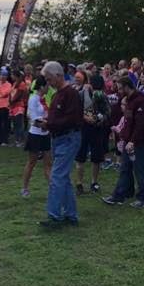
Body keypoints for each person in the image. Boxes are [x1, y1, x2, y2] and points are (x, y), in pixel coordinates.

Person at [38, 61, 82, 228]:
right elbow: (58, 117)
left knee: (56, 177)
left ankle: (54, 216)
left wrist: (49, 124)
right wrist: (47, 121)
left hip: (68, 138)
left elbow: (71, 119)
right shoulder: (58, 94)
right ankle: (71, 215)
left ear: (58, 75)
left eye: (49, 79)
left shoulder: (70, 94)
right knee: (63, 178)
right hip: (59, 138)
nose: (48, 83)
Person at [103, 75, 144, 208]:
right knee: (125, 168)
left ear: (127, 87)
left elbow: (140, 124)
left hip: (136, 142)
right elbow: (128, 121)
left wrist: (132, 141)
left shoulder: (139, 100)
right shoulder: (128, 100)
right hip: (127, 140)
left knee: (139, 169)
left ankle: (143, 198)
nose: (118, 91)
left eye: (120, 88)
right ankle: (121, 194)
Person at [75, 72, 109, 196]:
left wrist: (99, 119)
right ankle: (80, 183)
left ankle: (93, 182)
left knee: (96, 157)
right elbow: (76, 109)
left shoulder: (102, 96)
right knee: (81, 156)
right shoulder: (82, 94)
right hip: (84, 128)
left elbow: (107, 112)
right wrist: (85, 117)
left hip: (96, 128)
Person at [21, 75, 52, 198]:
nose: (49, 88)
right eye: (47, 86)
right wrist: (47, 124)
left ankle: (53, 189)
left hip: (45, 134)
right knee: (32, 162)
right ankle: (25, 188)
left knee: (48, 163)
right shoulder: (33, 99)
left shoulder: (43, 99)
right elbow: (33, 120)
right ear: (42, 87)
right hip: (35, 134)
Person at [9, 69, 28, 147]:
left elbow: (19, 95)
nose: (11, 76)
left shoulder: (22, 84)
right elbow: (11, 93)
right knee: (15, 124)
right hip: (13, 106)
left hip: (19, 106)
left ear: (15, 75)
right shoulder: (14, 83)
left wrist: (11, 101)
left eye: (12, 75)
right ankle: (16, 140)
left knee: (19, 124)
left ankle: (21, 141)